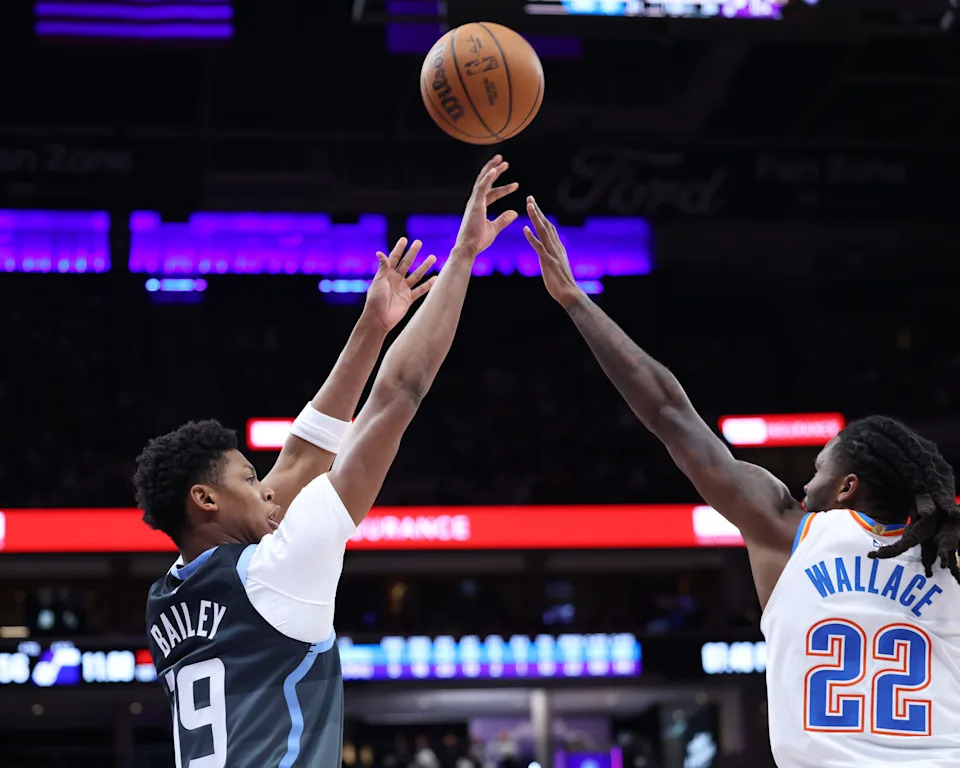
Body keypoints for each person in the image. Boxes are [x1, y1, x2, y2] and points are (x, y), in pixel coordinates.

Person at [523, 195, 960, 767]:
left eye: (817, 472)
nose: (803, 488)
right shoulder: (949, 556)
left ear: (848, 487)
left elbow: (668, 413)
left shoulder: (790, 533)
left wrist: (576, 301)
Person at [136, 156, 519, 768]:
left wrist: (373, 325)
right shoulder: (278, 573)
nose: (268, 492)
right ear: (204, 501)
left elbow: (302, 454)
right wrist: (464, 256)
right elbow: (400, 394)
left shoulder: (168, 599)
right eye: (249, 479)